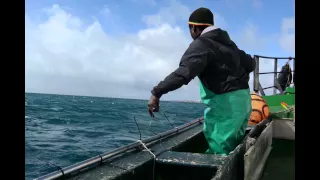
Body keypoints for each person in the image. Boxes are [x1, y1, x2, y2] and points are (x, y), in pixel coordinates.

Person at [147, 7, 256, 155]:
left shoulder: (201, 45)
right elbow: (250, 64)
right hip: (244, 102)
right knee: (234, 144)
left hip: (226, 106)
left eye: (189, 29)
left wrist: (157, 92)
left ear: (194, 28)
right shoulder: (229, 44)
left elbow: (183, 73)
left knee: (220, 151)